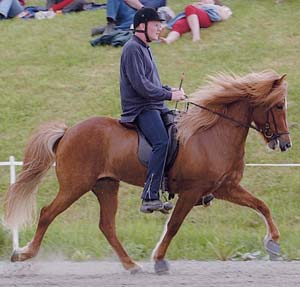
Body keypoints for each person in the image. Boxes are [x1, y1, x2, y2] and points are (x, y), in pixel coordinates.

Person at [120, 7, 186, 213]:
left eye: (160, 25)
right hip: (140, 108)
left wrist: (169, 89)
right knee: (161, 141)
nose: (159, 29)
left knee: (180, 131)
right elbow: (141, 86)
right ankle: (150, 195)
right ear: (142, 25)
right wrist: (169, 96)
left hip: (154, 104)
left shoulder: (145, 48)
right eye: (156, 25)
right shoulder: (132, 48)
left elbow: (152, 83)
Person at [160, 0, 232, 44]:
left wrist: (206, 6)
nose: (202, 1)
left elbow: (225, 14)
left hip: (206, 18)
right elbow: (183, 14)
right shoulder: (197, 5)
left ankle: (196, 36)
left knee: (189, 8)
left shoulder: (216, 7)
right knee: (179, 24)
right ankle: (168, 40)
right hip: (194, 19)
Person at [91, 0, 166, 37]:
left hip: (139, 16)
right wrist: (140, 7)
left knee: (138, 21)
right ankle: (111, 23)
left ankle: (111, 28)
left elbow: (156, 11)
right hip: (128, 10)